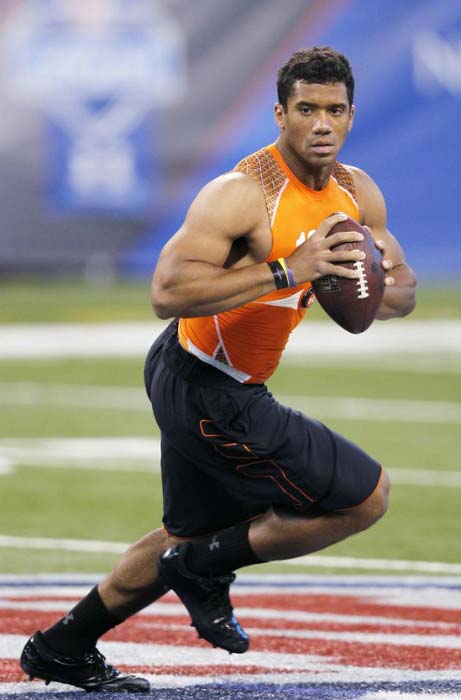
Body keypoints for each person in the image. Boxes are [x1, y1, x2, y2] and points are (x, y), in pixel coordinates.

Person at [20, 46, 416, 692]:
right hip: (206, 385)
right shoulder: (242, 195)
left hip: (211, 381)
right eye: (306, 109)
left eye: (334, 110)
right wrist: (292, 270)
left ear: (350, 116)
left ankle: (63, 646)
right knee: (366, 497)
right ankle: (203, 568)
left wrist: (360, 279)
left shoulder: (355, 193)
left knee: (182, 532)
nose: (321, 123)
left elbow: (399, 291)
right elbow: (166, 293)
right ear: (279, 114)